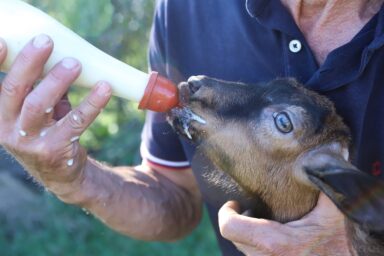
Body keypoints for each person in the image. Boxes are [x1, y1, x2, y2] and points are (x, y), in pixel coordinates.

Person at [0, 0, 383, 255]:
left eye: (283, 122)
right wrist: (73, 177)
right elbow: (173, 195)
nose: (198, 82)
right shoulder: (190, 8)